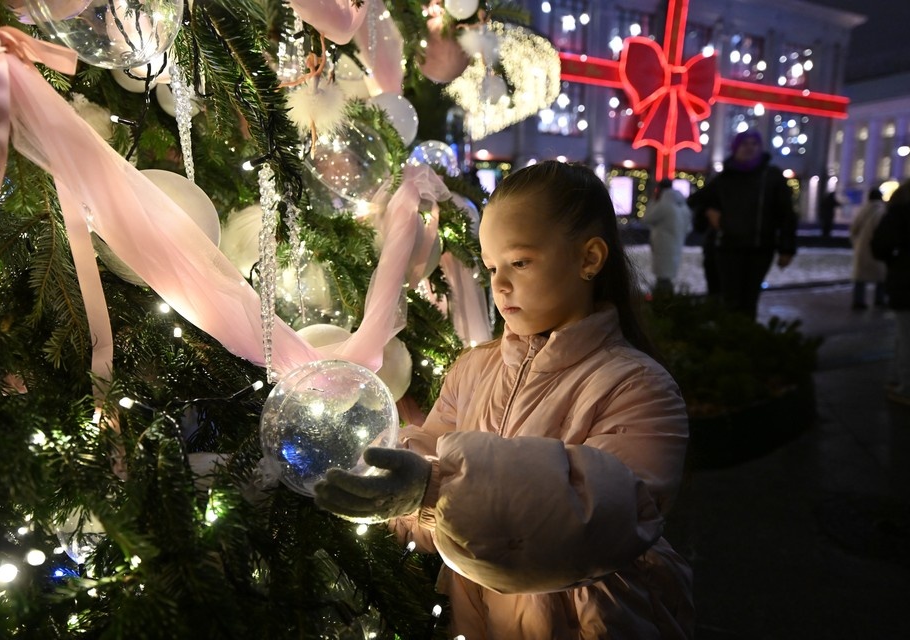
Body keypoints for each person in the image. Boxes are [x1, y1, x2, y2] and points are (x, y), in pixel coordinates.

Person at [315, 161, 693, 639]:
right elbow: (430, 454)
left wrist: (434, 489)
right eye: (492, 266)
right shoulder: (472, 369)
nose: (499, 283)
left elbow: (601, 515)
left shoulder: (638, 387)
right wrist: (388, 480)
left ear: (589, 259)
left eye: (520, 261)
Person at [701, 129, 797, 318]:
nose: (750, 148)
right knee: (730, 300)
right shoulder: (726, 176)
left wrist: (787, 248)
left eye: (755, 143)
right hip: (728, 248)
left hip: (760, 248)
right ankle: (728, 342)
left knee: (749, 299)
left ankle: (744, 340)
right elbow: (699, 201)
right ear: (736, 148)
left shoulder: (772, 176)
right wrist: (709, 214)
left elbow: (786, 214)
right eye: (745, 143)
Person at [871, 179, 910, 405]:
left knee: (905, 335)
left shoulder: (899, 212)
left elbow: (880, 245)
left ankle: (905, 386)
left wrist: (896, 260)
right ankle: (898, 379)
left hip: (905, 278)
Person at [642, 178, 692, 296]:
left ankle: (662, 303)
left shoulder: (664, 204)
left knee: (662, 278)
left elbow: (646, 218)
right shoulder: (682, 204)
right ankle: (667, 300)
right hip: (676, 245)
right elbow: (688, 227)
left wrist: (653, 201)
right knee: (667, 277)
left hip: (663, 246)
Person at [849, 187, 887, 310]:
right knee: (881, 275)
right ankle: (879, 299)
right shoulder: (883, 211)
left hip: (862, 248)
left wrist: (856, 243)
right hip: (877, 247)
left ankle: (858, 301)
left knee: (860, 277)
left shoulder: (862, 210)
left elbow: (854, 229)